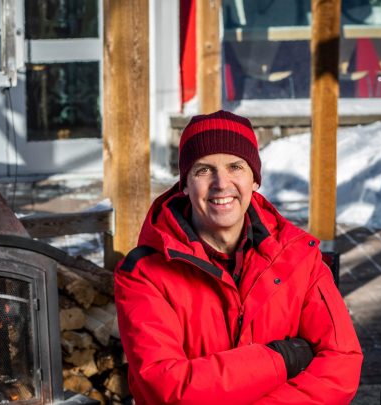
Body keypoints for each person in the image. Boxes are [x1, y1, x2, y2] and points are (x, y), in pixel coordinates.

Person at [114, 110, 363, 404]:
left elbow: (341, 363)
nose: (221, 183)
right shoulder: (144, 273)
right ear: (184, 184)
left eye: (235, 167)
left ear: (254, 179)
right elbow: (168, 386)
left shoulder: (298, 257)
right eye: (204, 170)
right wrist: (283, 358)